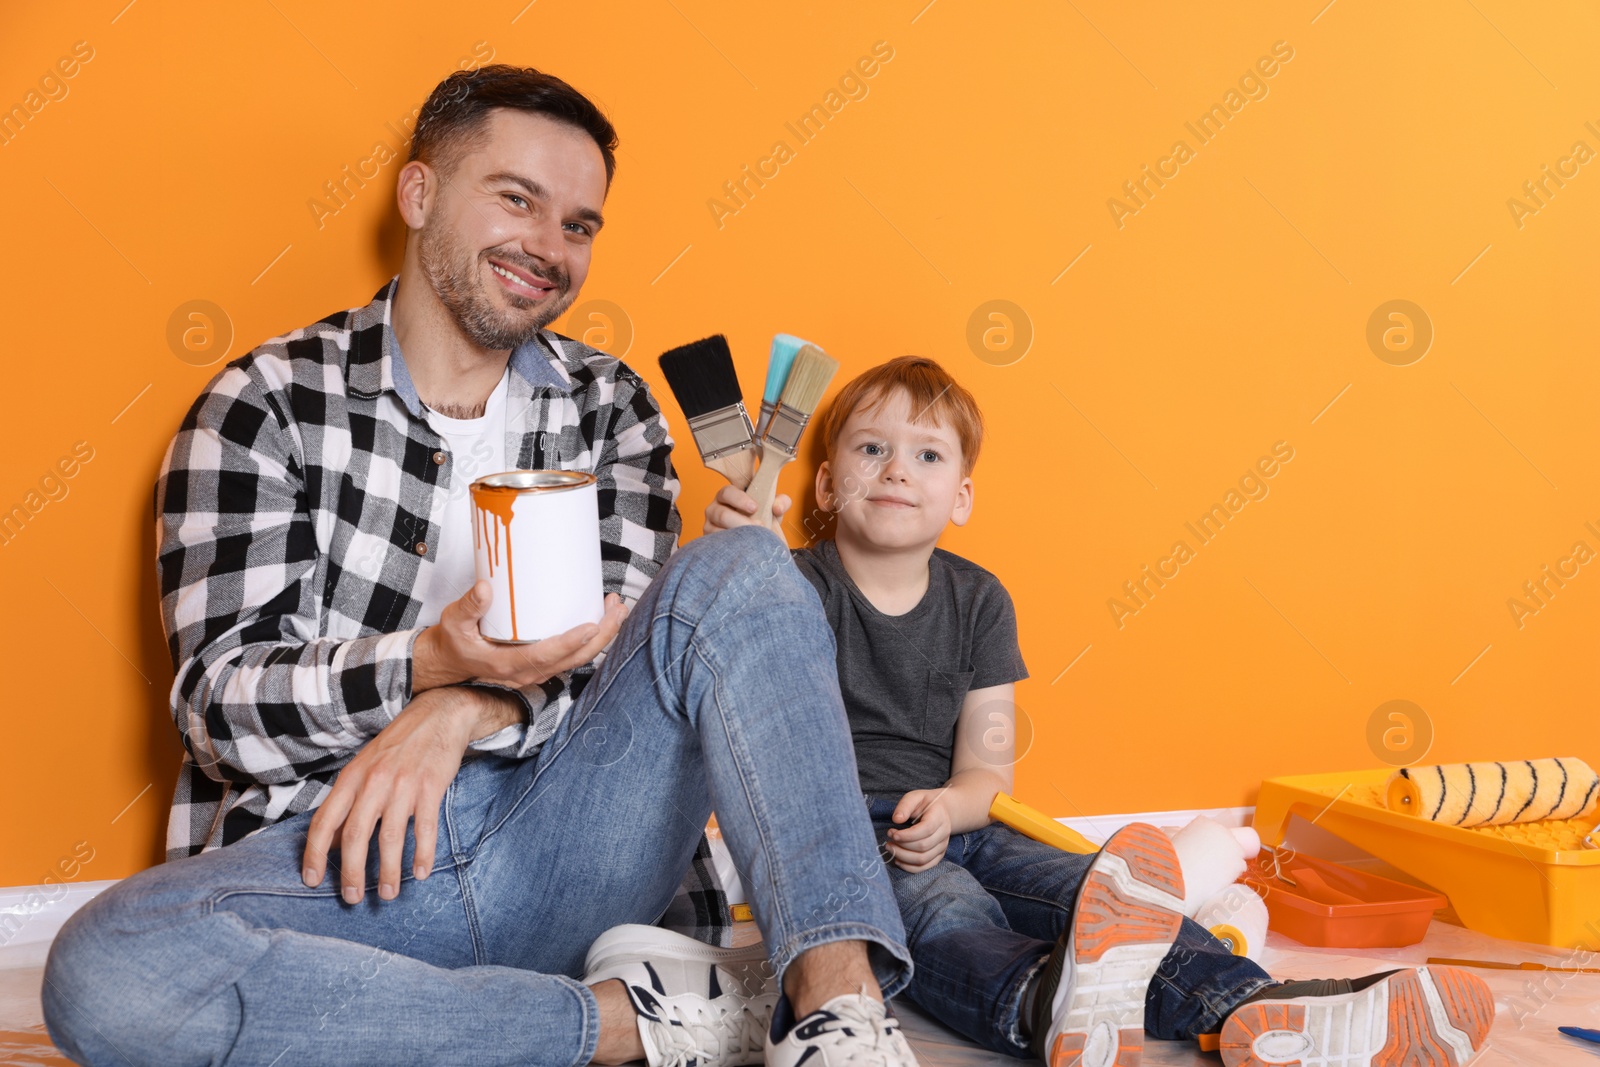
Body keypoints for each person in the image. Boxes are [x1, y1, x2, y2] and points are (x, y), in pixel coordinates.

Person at [41, 65, 922, 1067]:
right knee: (106, 967)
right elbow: (220, 710)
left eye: (579, 225)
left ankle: (837, 1008)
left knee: (745, 567)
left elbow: (636, 655)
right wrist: (421, 661)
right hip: (345, 867)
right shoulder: (267, 405)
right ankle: (639, 1019)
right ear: (418, 195)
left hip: (570, 838)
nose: (548, 247)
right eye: (516, 198)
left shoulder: (610, 408)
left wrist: (465, 704)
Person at [704, 356, 1497, 1067]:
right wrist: (754, 567)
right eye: (871, 448)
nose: (897, 470)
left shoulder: (981, 601)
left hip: (974, 822)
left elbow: (989, 773)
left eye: (928, 454)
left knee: (1106, 898)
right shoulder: (799, 586)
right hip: (855, 840)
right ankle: (1045, 1005)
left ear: (964, 494)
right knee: (946, 910)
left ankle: (1254, 1007)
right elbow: (755, 699)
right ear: (826, 484)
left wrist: (951, 805)